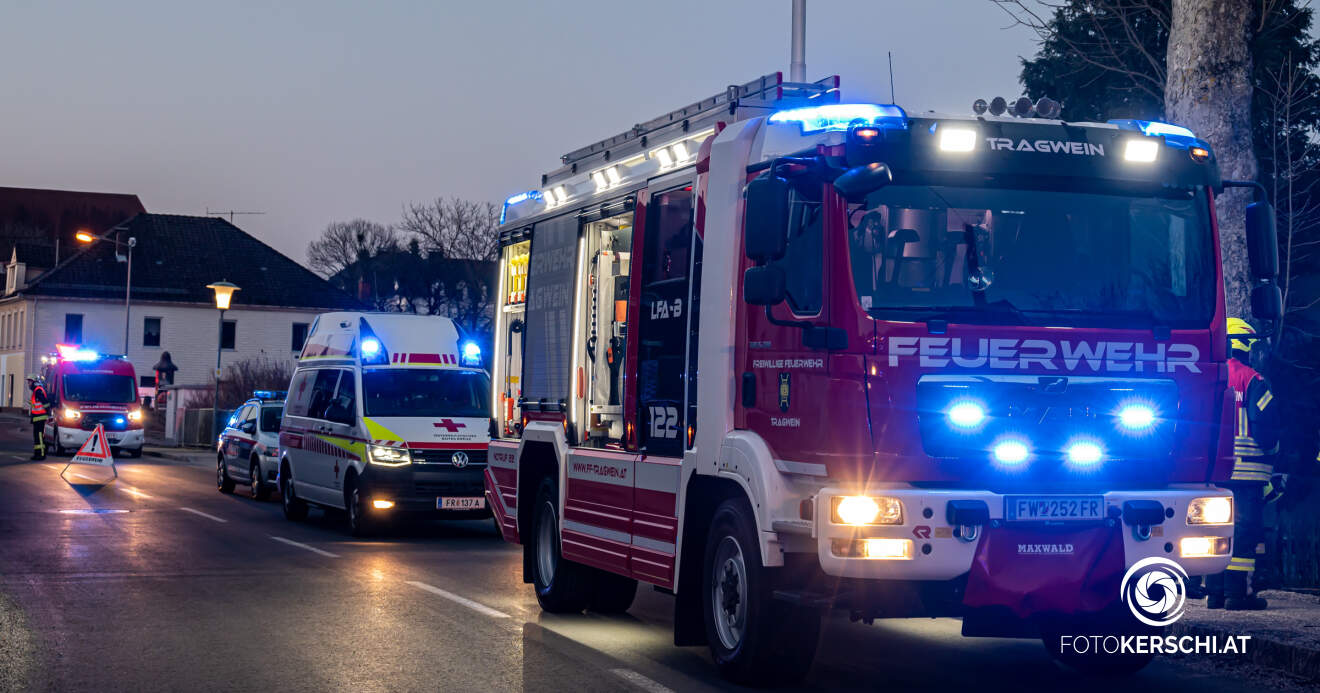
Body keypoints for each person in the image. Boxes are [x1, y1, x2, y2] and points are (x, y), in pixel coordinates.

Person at [1205, 318, 1278, 610]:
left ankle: (1215, 593)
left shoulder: (1211, 377)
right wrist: (1272, 453)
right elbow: (1267, 425)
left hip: (1213, 471)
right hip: (1247, 472)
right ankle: (1239, 595)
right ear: (1245, 344)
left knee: (1215, 531)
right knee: (1244, 533)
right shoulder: (1253, 380)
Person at [27, 375, 50, 461]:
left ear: (34, 382)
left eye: (30, 382)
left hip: (40, 417)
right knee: (37, 436)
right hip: (37, 417)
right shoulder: (36, 391)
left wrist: (47, 412)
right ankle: (37, 454)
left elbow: (45, 402)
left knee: (39, 436)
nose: (28, 384)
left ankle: (41, 454)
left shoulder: (38, 391)